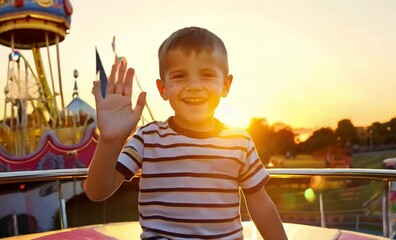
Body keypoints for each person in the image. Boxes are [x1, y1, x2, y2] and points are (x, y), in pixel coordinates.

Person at [85, 26, 287, 240]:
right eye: (180, 76)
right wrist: (109, 140)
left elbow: (260, 204)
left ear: (225, 85)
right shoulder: (148, 138)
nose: (194, 86)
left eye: (206, 74)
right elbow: (97, 192)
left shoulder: (239, 141)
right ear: (163, 89)